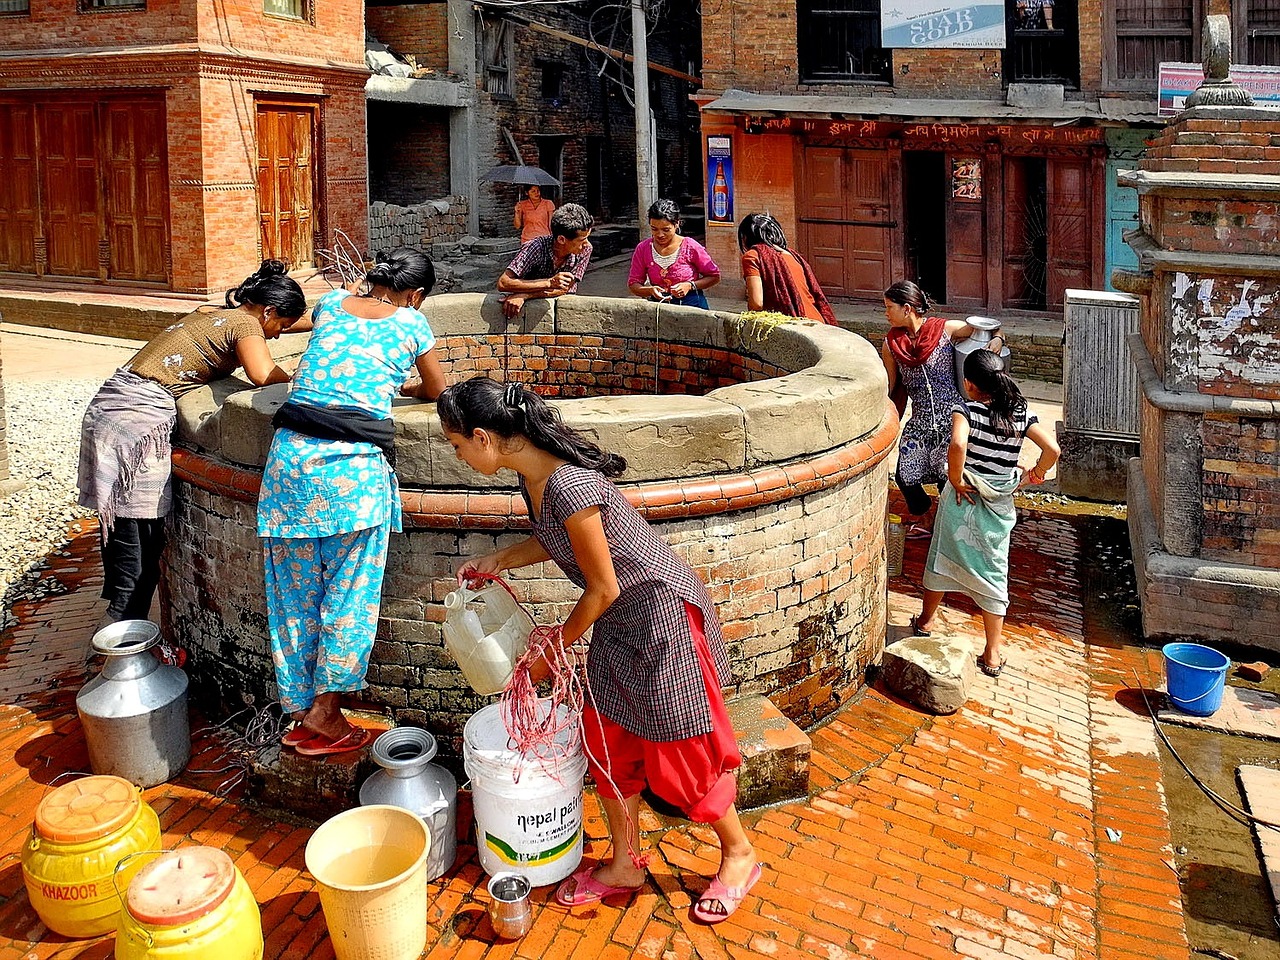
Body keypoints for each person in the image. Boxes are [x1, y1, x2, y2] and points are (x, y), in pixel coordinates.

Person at [439, 376, 760, 924]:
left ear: (483, 436)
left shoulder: (569, 485)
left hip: (663, 621)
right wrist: (500, 562)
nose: (459, 454)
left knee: (682, 750)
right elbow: (559, 540)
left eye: (457, 444)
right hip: (619, 620)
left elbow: (602, 586)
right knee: (608, 742)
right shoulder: (534, 480)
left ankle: (739, 854)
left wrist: (550, 650)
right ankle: (624, 863)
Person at [258, 248, 448, 757]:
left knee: (292, 597)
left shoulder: (332, 303)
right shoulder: (413, 323)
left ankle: (300, 708)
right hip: (352, 478)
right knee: (348, 595)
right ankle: (326, 710)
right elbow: (437, 391)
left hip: (289, 467)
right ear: (418, 295)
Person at [78, 260, 305, 626]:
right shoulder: (247, 325)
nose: (279, 335)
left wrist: (341, 314)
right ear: (269, 311)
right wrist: (304, 377)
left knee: (121, 524)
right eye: (281, 326)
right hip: (137, 422)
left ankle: (119, 616)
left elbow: (293, 321)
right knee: (140, 532)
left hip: (112, 407)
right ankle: (122, 633)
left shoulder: (216, 313)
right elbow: (262, 374)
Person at [911, 349, 1059, 676]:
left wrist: (955, 479)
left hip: (962, 499)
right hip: (998, 505)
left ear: (969, 384)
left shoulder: (965, 410)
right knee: (994, 573)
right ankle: (992, 653)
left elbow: (958, 445)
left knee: (941, 557)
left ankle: (926, 621)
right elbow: (1053, 449)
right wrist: (1035, 474)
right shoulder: (1021, 414)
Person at [881, 280, 974, 535]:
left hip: (952, 418)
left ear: (907, 308)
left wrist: (997, 339)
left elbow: (985, 328)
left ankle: (946, 527)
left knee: (949, 478)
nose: (886, 313)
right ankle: (925, 513)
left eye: (890, 307)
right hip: (920, 420)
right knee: (904, 476)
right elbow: (890, 385)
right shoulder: (891, 343)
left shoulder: (944, 329)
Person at [737, 212, 838, 325]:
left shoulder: (753, 256)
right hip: (818, 322)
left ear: (745, 237)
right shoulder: (792, 255)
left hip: (796, 326)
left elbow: (756, 304)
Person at [497, 203, 594, 319]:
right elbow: (503, 283)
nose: (587, 244)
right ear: (561, 239)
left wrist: (525, 295)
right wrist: (549, 283)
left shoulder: (585, 249)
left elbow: (564, 288)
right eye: (582, 240)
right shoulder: (535, 247)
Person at [628, 199, 720, 309]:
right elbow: (634, 284)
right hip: (659, 309)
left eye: (666, 229)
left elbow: (714, 276)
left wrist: (690, 285)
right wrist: (650, 290)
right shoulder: (643, 249)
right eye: (654, 229)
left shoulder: (690, 246)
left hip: (692, 308)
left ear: (676, 224)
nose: (660, 234)